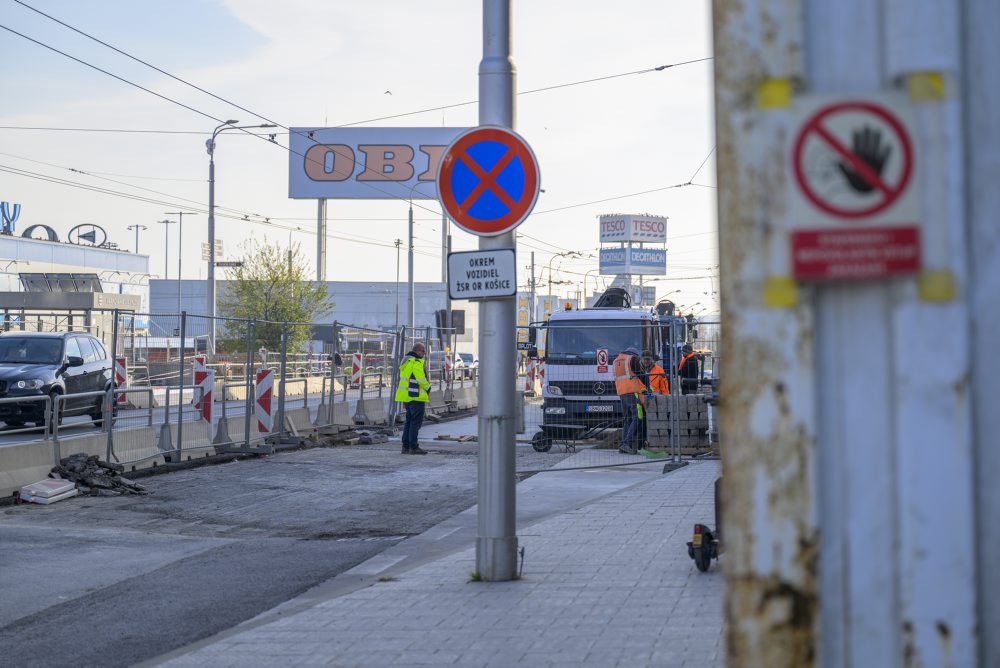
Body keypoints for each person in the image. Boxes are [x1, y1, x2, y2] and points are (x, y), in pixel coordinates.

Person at [395, 342, 432, 455]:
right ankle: (414, 447)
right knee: (415, 423)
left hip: (407, 397)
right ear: (417, 351)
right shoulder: (415, 362)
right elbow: (420, 378)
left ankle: (405, 447)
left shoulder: (406, 362)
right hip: (417, 397)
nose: (424, 353)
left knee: (409, 422)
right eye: (422, 350)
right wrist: (428, 388)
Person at [613, 346, 645, 454]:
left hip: (621, 392)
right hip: (632, 391)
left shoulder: (616, 360)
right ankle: (626, 443)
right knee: (638, 417)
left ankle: (623, 444)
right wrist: (648, 388)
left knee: (628, 418)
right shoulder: (632, 359)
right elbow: (641, 375)